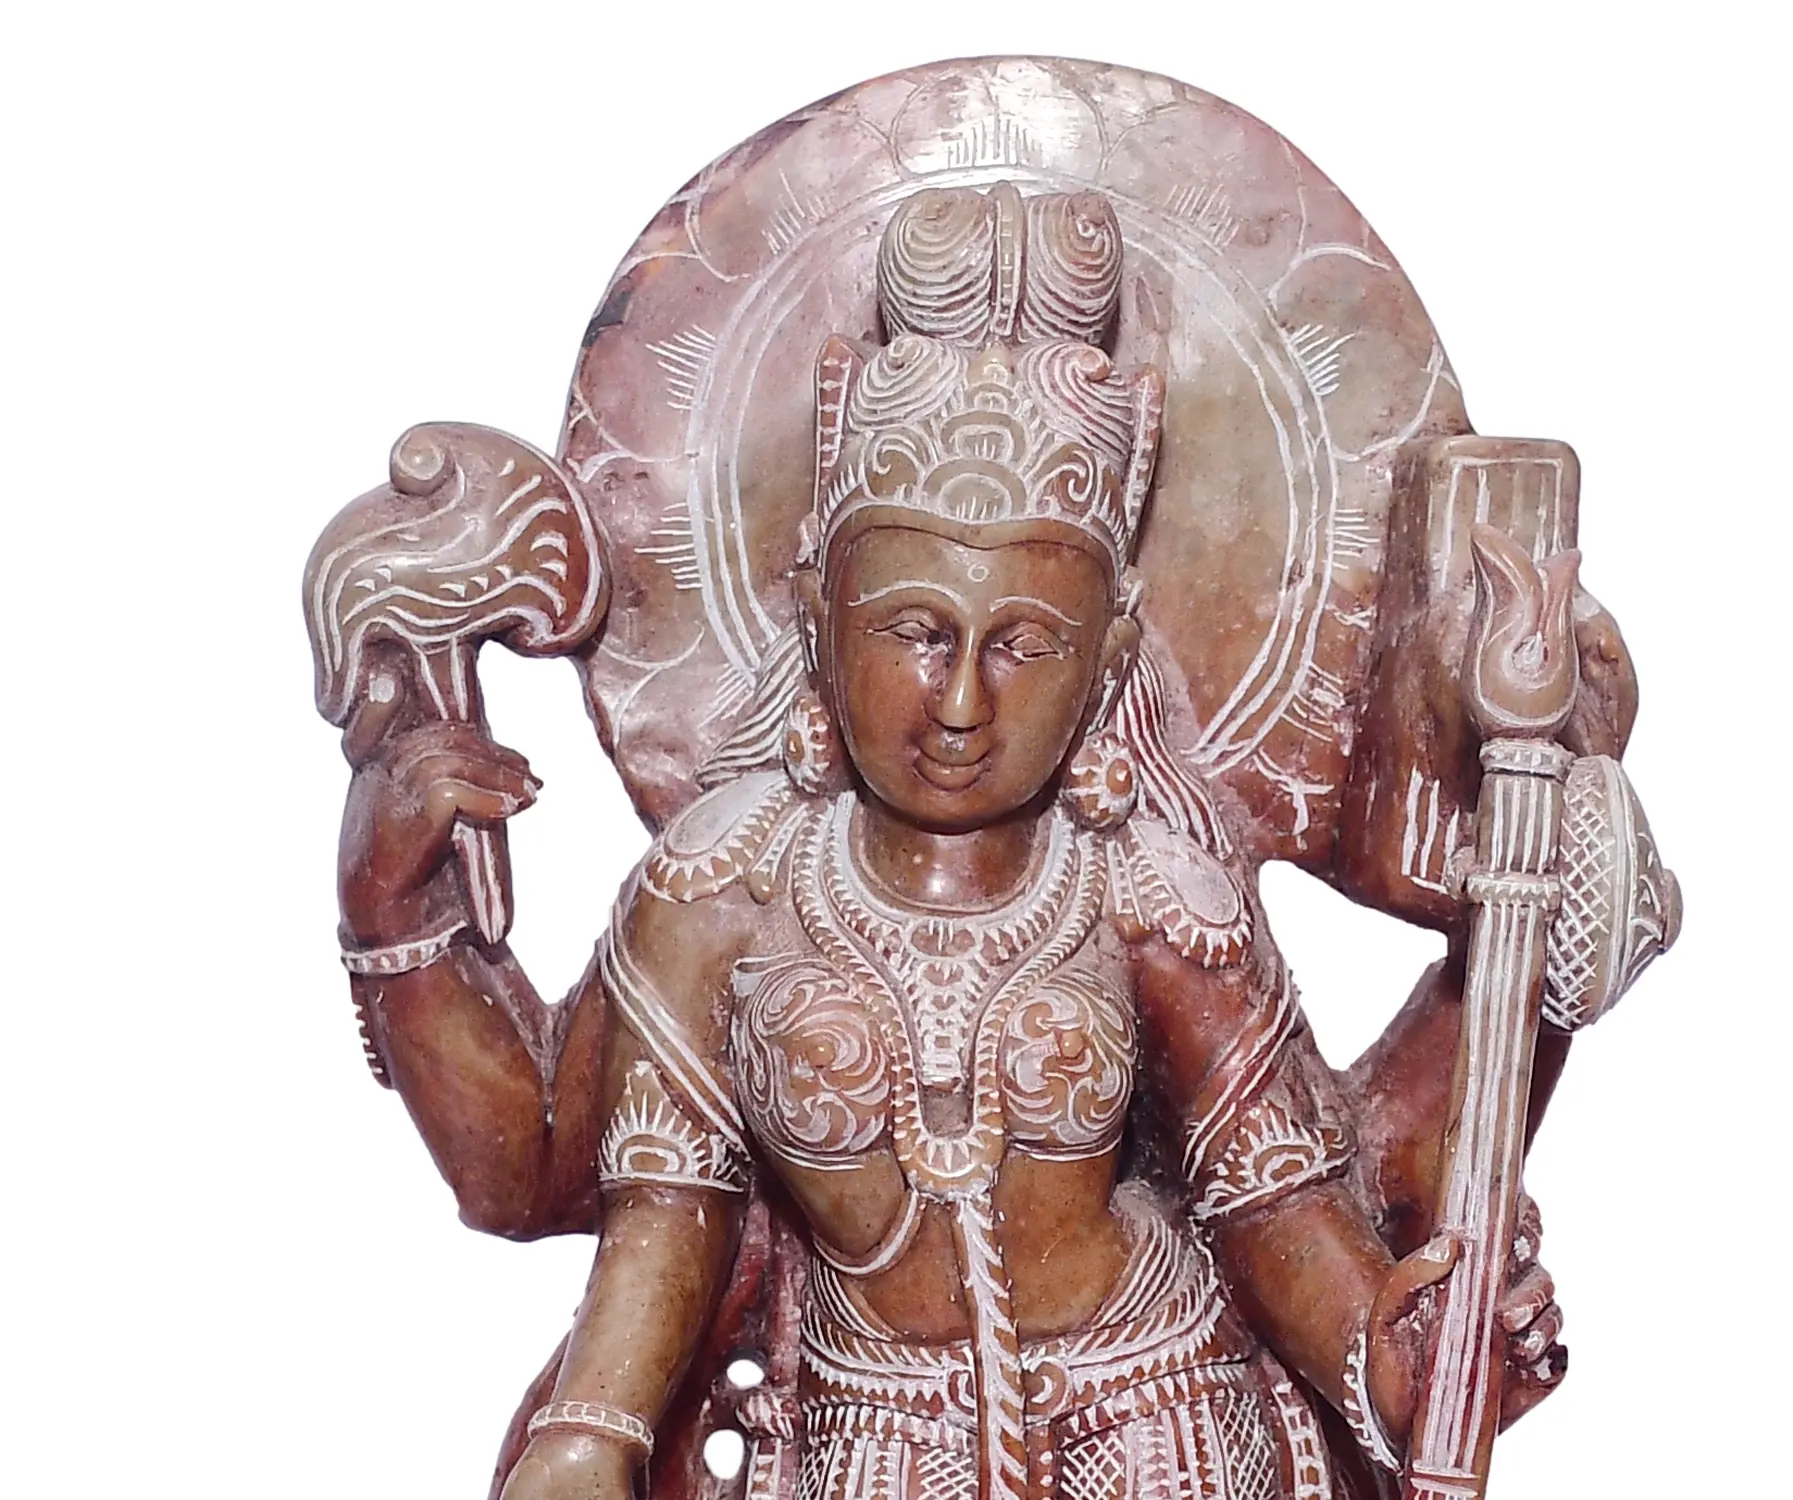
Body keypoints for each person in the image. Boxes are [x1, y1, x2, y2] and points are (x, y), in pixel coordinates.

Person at [332, 188, 1566, 1500]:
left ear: (1108, 655)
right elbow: (656, 1208)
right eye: (914, 631)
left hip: (1165, 1425)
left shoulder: (1145, 890)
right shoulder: (721, 888)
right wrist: (591, 1434)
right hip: (867, 1442)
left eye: (1025, 642)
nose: (964, 703)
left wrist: (1399, 1362)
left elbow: (1277, 1211)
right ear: (819, 610)